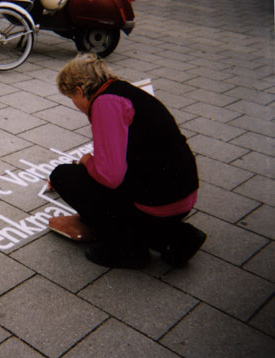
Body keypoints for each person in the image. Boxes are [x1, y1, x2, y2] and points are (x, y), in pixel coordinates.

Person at [48, 53, 206, 269]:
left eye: (71, 98)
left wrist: (86, 162)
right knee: (88, 178)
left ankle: (127, 249)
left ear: (79, 90)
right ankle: (174, 236)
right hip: (181, 196)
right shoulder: (125, 92)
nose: (74, 104)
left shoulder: (105, 103)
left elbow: (110, 176)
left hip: (156, 203)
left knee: (63, 176)